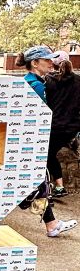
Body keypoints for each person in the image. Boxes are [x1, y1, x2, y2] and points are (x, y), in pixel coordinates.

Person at [15, 45, 77, 237]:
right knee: (36, 183)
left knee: (38, 184)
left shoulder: (31, 81)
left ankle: (51, 224)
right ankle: (50, 223)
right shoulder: (37, 86)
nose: (52, 63)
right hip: (29, 143)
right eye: (47, 60)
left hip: (26, 142)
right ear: (35, 63)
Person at [44, 50, 80, 198]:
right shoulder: (78, 81)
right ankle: (72, 141)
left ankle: (59, 186)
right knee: (51, 151)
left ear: (53, 64)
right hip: (72, 127)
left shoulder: (49, 80)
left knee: (47, 154)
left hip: (55, 126)